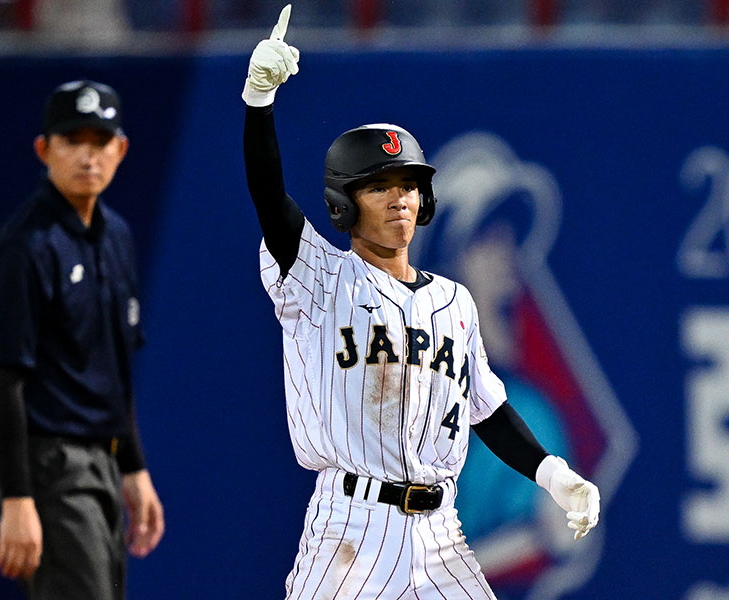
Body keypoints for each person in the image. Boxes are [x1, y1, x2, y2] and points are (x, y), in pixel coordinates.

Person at [241, 6, 600, 599]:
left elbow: (488, 409)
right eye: (380, 186)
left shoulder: (455, 301)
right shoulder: (319, 279)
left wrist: (555, 475)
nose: (399, 198)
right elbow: (267, 197)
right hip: (351, 527)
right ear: (343, 205)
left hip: (440, 530)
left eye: (409, 184)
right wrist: (259, 105)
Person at [0, 80, 164, 600]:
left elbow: (112, 369)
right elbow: (4, 379)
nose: (89, 155)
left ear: (121, 149)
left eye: (101, 141)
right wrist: (18, 498)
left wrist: (133, 466)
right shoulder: (26, 247)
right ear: (44, 149)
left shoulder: (117, 237)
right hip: (51, 466)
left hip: (103, 461)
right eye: (72, 140)